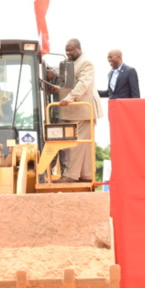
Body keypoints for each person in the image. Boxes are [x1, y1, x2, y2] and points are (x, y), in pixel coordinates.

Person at [49, 39, 103, 183]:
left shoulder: (86, 63)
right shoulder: (70, 63)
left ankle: (71, 175)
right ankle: (86, 175)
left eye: (71, 50)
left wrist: (70, 98)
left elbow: (82, 84)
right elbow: (68, 84)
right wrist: (57, 90)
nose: (68, 53)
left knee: (76, 144)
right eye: (66, 50)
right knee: (84, 144)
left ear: (79, 48)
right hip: (75, 109)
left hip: (83, 109)